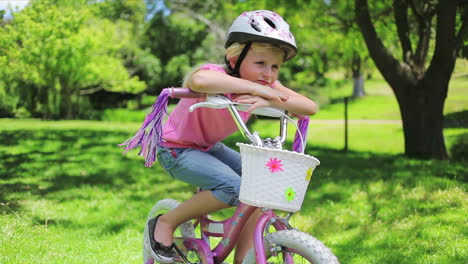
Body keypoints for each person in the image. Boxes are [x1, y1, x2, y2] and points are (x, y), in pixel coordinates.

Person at [126, 10, 318, 263]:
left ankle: (244, 259)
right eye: (260, 63)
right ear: (235, 58)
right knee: (235, 188)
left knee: (259, 188)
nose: (269, 73)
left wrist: (266, 96)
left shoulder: (268, 86)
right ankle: (166, 221)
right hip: (176, 149)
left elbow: (309, 107)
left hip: (207, 147)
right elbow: (199, 80)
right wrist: (256, 89)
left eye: (275, 66)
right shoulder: (218, 75)